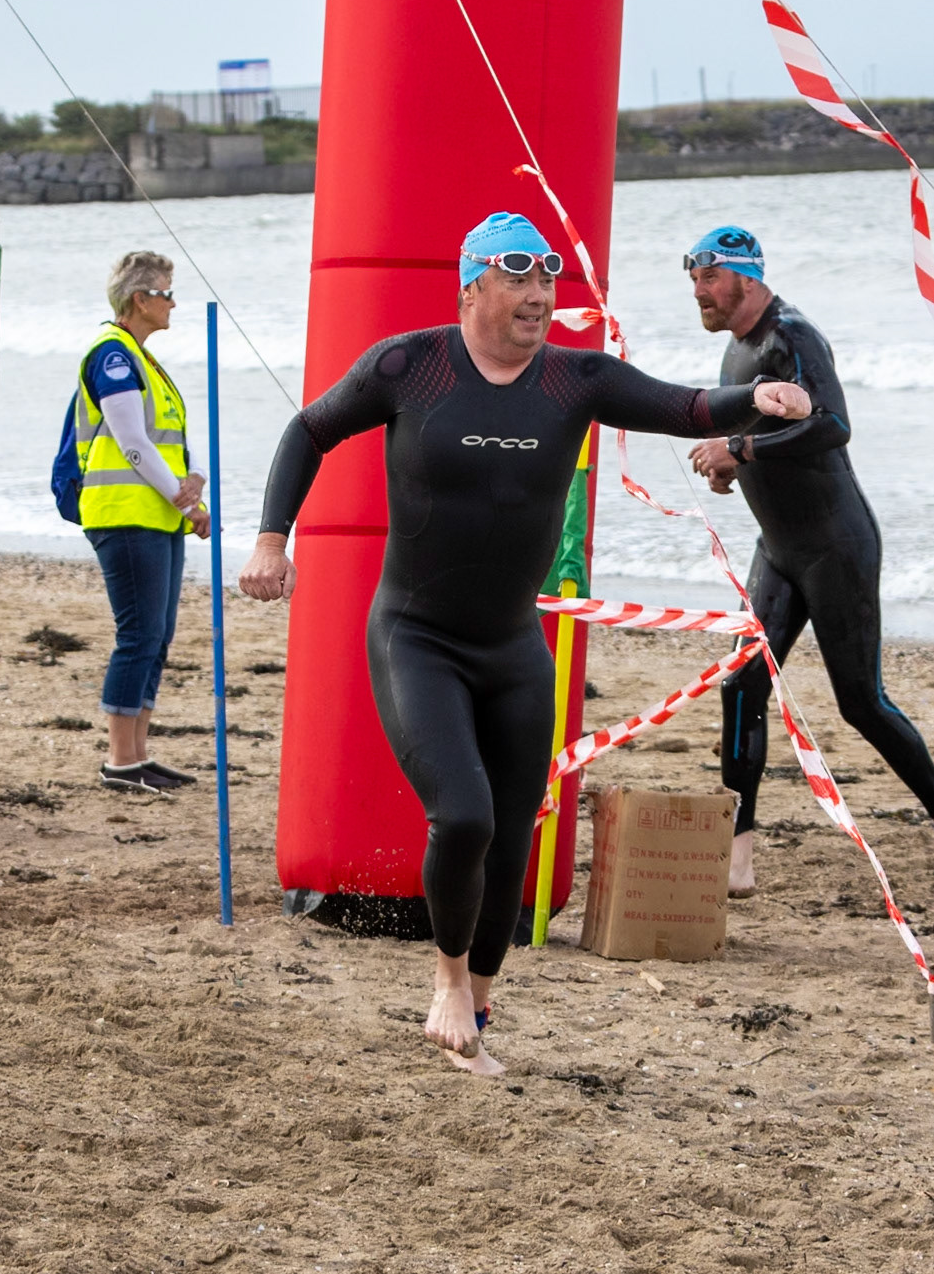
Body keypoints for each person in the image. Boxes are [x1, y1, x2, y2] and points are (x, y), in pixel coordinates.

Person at [239, 211, 810, 1075]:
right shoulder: (408, 365)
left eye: (547, 278)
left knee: (512, 837)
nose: (540, 294)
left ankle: (478, 1002)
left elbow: (683, 404)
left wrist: (756, 397)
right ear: (471, 286)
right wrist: (271, 540)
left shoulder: (574, 378)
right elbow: (308, 429)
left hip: (511, 647)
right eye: (519, 278)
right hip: (417, 635)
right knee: (462, 814)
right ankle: (445, 980)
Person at [684, 225, 934, 895]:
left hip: (835, 546)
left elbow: (831, 424)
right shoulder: (736, 349)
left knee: (861, 704)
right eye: (694, 280)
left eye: (709, 278)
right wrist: (732, 463)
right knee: (741, 687)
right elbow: (764, 429)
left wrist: (739, 450)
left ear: (746, 277)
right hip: (778, 547)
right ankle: (738, 860)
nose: (699, 292)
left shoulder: (791, 335)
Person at [76, 249, 211, 794]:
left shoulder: (142, 357)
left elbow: (168, 437)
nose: (172, 303)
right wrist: (186, 501)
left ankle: (137, 755)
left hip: (158, 515)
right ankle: (119, 760)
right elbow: (132, 442)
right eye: (165, 293)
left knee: (158, 636)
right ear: (140, 299)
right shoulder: (113, 354)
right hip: (125, 514)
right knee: (138, 635)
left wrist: (196, 477)